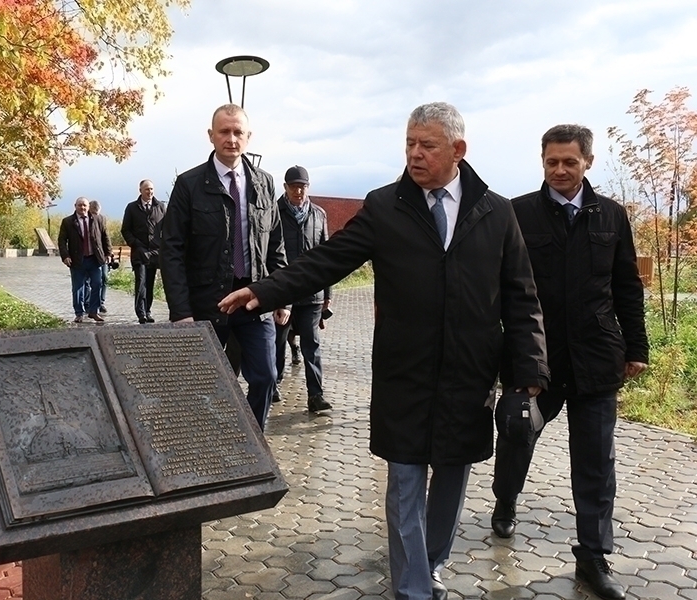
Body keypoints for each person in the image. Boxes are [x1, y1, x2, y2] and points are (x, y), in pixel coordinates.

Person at [218, 102, 549, 600]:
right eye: (409, 144)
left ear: (458, 150)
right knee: (405, 480)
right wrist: (267, 291)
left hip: (469, 372)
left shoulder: (496, 212)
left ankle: (430, 563)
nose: (414, 154)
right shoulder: (387, 205)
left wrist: (530, 369)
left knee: (453, 476)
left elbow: (522, 296)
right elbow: (328, 259)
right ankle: (413, 587)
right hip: (405, 369)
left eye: (427, 146)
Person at [490, 124, 649, 600]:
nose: (560, 170)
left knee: (597, 461)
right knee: (518, 435)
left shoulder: (612, 217)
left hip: (597, 358)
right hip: (536, 357)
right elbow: (497, 290)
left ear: (588, 163)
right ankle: (505, 499)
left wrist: (637, 348)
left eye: (569, 162)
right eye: (551, 162)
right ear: (542, 162)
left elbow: (627, 287)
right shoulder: (517, 213)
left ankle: (592, 558)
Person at [160, 103, 289, 431]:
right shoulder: (189, 185)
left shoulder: (264, 183)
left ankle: (251, 441)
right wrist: (181, 312)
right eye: (224, 132)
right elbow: (171, 249)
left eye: (238, 132)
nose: (231, 139)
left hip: (254, 298)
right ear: (211, 136)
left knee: (266, 377)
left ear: (248, 137)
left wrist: (280, 296)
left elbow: (276, 244)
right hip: (207, 303)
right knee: (205, 384)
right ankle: (209, 443)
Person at [273, 165, 332, 412]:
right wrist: (275, 297)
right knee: (277, 343)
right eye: (293, 186)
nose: (298, 190)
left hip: (311, 294)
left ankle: (315, 395)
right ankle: (273, 384)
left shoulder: (319, 215)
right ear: (285, 187)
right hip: (282, 292)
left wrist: (328, 295)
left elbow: (327, 258)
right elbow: (269, 255)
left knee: (312, 344)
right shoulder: (273, 213)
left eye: (303, 186)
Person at [57, 196, 112, 323]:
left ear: (88, 207)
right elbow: (61, 241)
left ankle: (93, 311)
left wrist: (108, 253)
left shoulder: (99, 219)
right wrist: (65, 256)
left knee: (98, 283)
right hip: (77, 259)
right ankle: (79, 313)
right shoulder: (68, 221)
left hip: (94, 259)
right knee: (78, 287)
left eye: (84, 205)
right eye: (80, 205)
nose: (82, 208)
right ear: (75, 206)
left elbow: (105, 237)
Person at [121, 179, 166, 323]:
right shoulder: (132, 208)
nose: (150, 192)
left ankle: (148, 310)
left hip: (154, 253)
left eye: (151, 189)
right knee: (141, 282)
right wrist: (135, 244)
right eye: (147, 189)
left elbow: (167, 228)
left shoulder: (160, 207)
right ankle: (140, 313)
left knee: (150, 283)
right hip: (139, 252)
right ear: (140, 190)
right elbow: (125, 230)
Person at [86, 200, 110, 313]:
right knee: (88, 280)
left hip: (101, 255)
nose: (94, 216)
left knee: (104, 278)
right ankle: (88, 303)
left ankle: (101, 302)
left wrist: (108, 253)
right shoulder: (85, 220)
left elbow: (106, 237)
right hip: (89, 255)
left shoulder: (102, 219)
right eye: (93, 213)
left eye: (96, 213)